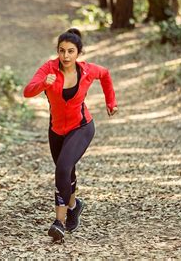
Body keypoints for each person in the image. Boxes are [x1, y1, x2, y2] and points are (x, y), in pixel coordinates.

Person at [23, 28, 118, 242]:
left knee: (62, 168)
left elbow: (105, 75)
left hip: (81, 127)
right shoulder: (48, 68)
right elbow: (27, 91)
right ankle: (75, 206)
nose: (65, 56)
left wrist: (110, 102)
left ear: (79, 53)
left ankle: (59, 222)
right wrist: (43, 84)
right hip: (56, 130)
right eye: (61, 51)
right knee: (67, 171)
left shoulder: (87, 70)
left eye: (71, 51)